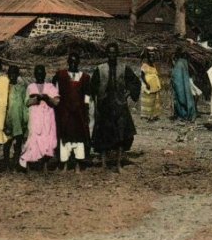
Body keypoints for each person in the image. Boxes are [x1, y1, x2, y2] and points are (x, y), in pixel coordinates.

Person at [91, 42, 141, 172]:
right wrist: (95, 104)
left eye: (114, 53)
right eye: (109, 53)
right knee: (103, 135)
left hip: (119, 105)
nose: (112, 55)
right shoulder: (100, 69)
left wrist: (129, 93)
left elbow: (135, 82)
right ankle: (103, 164)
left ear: (117, 54)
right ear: (107, 54)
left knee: (121, 135)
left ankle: (118, 164)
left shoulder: (123, 68)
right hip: (104, 106)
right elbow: (92, 87)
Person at [54, 53, 91, 172]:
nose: (73, 64)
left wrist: (86, 109)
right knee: (65, 137)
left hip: (79, 112)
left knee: (79, 138)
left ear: (79, 62)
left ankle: (77, 164)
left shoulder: (84, 77)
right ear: (68, 62)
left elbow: (87, 95)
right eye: (71, 62)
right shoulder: (61, 75)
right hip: (65, 112)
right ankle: (64, 164)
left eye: (75, 62)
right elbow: (56, 92)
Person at [20, 64, 59, 173]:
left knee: (47, 140)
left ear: (45, 74)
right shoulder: (30, 87)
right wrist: (37, 98)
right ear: (35, 75)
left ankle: (44, 166)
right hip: (35, 117)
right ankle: (28, 165)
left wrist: (47, 98)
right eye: (38, 73)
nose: (40, 75)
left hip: (47, 117)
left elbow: (56, 102)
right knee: (33, 140)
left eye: (42, 73)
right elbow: (27, 102)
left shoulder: (50, 87)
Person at [3, 65, 29, 172]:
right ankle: (6, 164)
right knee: (7, 143)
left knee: (18, 144)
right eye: (10, 74)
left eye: (14, 74)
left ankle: (15, 163)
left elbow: (25, 104)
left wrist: (25, 119)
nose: (12, 76)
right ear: (8, 75)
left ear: (17, 75)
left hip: (19, 120)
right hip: (7, 120)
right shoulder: (5, 88)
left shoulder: (22, 88)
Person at [171, 47, 197, 122]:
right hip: (185, 84)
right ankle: (188, 114)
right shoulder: (184, 62)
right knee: (187, 97)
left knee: (180, 98)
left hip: (180, 84)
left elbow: (175, 76)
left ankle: (183, 115)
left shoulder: (179, 63)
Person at [139, 48, 162, 121]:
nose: (152, 59)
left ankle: (153, 115)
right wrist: (147, 84)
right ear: (148, 58)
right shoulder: (145, 65)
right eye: (151, 57)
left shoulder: (154, 65)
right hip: (148, 84)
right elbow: (142, 76)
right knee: (148, 100)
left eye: (153, 57)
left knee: (154, 100)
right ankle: (147, 116)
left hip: (154, 85)